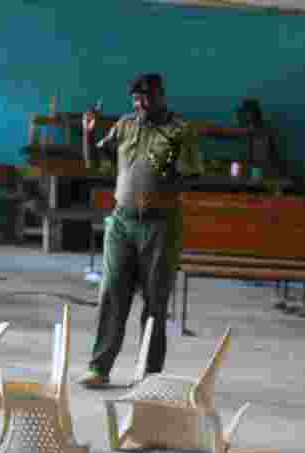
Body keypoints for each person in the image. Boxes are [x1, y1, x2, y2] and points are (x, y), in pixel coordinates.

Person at [77, 73, 204, 388]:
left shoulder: (180, 131)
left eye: (147, 97)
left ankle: (149, 375)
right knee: (112, 294)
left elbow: (191, 176)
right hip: (122, 221)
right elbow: (96, 161)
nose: (141, 104)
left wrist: (166, 168)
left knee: (155, 303)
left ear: (161, 95)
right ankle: (99, 367)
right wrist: (87, 135)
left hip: (161, 224)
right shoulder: (125, 125)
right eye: (136, 99)